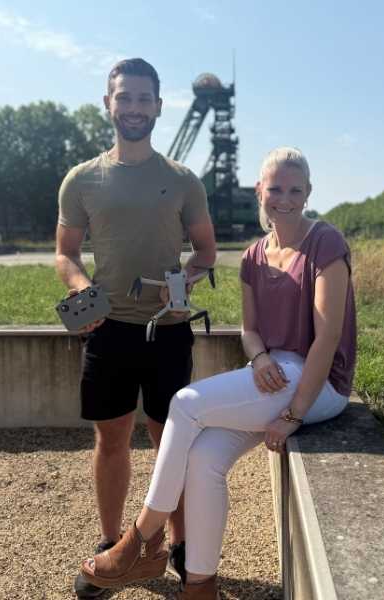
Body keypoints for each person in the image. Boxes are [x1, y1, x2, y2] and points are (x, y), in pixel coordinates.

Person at [78, 147, 357, 599]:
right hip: (274, 374)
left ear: (308, 194)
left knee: (185, 404)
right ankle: (200, 585)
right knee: (203, 459)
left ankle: (142, 541)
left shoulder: (326, 243)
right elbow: (250, 331)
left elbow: (326, 339)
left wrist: (294, 415)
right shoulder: (252, 257)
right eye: (275, 189)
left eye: (295, 190)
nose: (284, 198)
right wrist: (261, 357)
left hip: (319, 385)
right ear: (259, 192)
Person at [55, 57, 216, 599]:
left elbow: (207, 251)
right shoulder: (82, 179)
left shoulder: (182, 180)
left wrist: (187, 279)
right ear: (108, 104)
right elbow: (66, 254)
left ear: (158, 108)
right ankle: (110, 543)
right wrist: (81, 287)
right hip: (109, 329)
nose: (134, 109)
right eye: (124, 98)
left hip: (167, 329)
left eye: (144, 99)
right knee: (111, 439)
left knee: (171, 440)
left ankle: (180, 545)